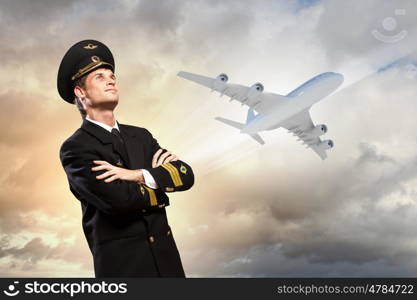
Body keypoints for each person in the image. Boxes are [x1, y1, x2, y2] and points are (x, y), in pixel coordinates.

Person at [57, 40, 194, 277]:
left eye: (112, 76)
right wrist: (160, 182)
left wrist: (138, 175)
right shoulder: (75, 148)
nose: (111, 80)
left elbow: (186, 175)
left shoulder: (141, 136)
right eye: (99, 77)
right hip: (125, 270)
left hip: (169, 266)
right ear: (80, 92)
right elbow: (118, 202)